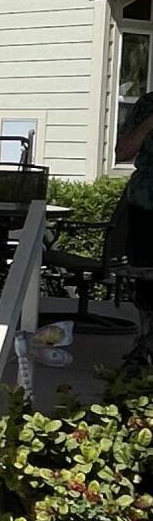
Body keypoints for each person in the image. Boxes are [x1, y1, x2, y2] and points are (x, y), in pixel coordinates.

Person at [114, 95, 153, 363]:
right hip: (146, 204)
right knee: (146, 282)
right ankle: (146, 344)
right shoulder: (147, 105)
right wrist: (149, 123)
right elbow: (122, 152)